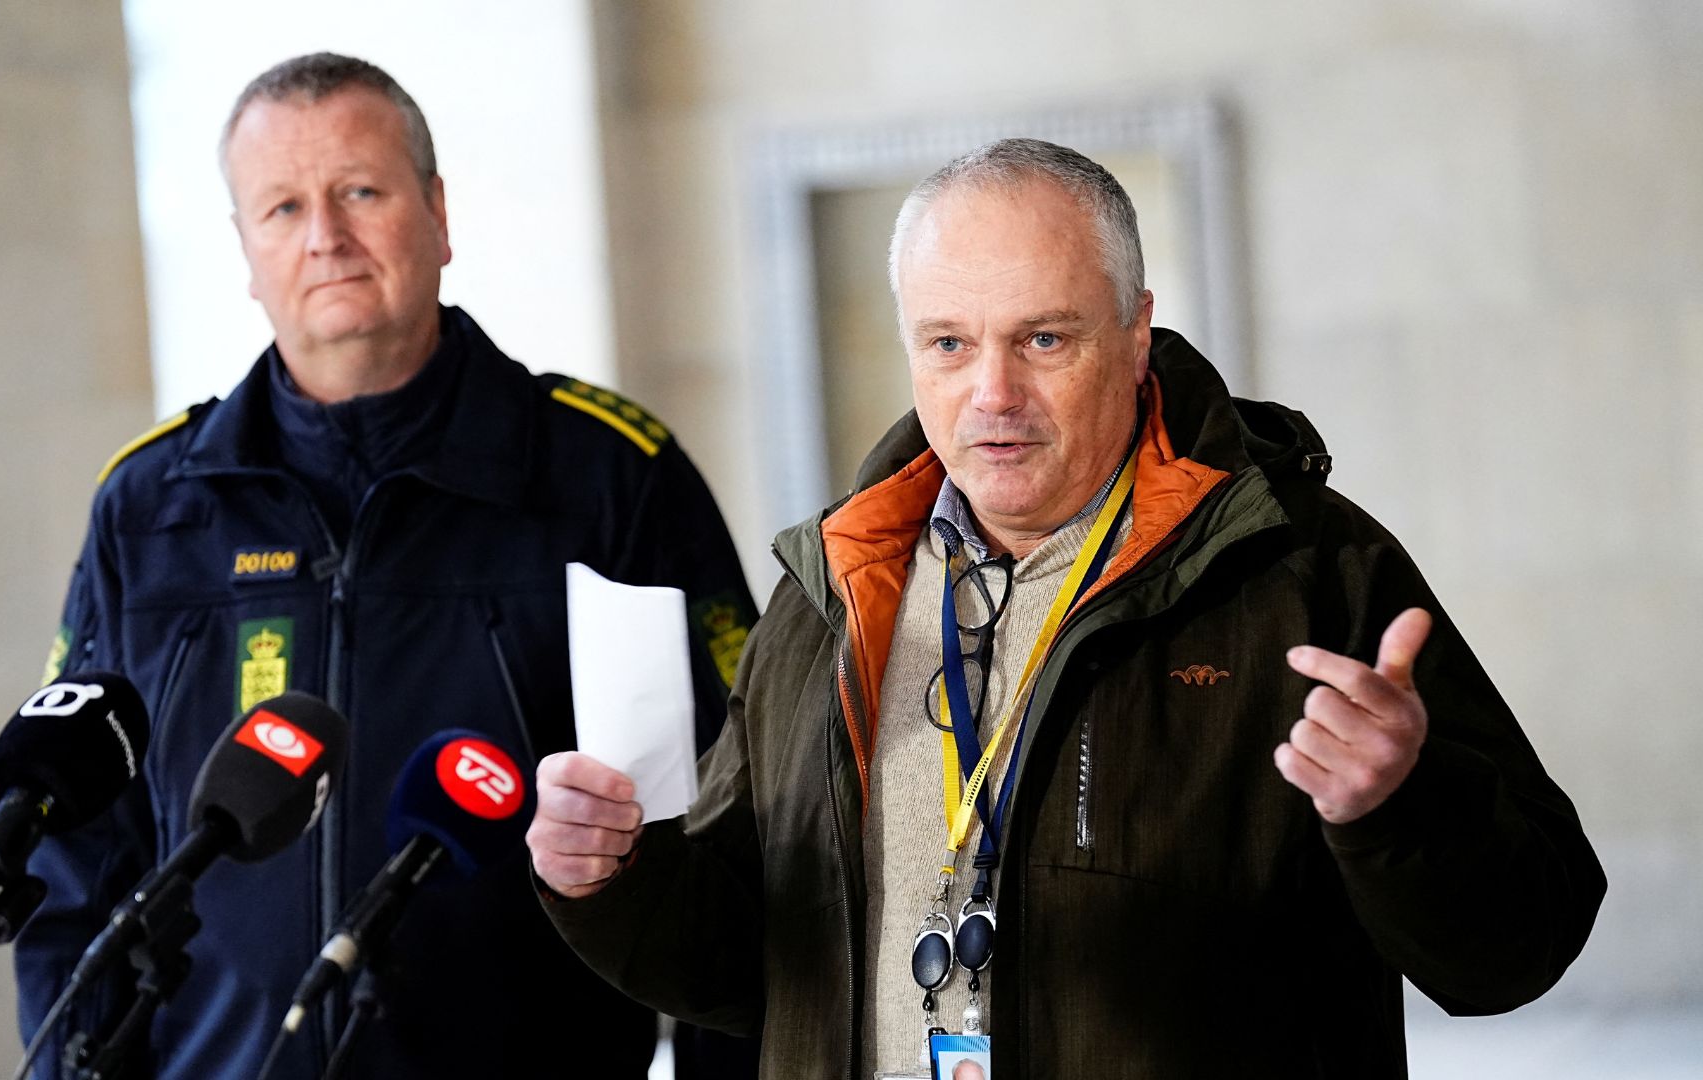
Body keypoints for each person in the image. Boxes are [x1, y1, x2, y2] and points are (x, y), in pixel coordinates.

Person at [529, 139, 1606, 1078]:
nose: (991, 393)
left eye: (1043, 339)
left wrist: (1400, 809)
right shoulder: (832, 596)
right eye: (948, 342)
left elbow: (1523, 947)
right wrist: (613, 880)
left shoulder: (1308, 571)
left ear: (1137, 335)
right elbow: (748, 964)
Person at [15, 53, 758, 1080]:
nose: (325, 237)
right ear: (245, 249)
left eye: (361, 191)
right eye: (282, 208)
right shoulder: (148, 507)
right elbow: (74, 867)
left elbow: (734, 830)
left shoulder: (609, 478)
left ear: (438, 214)